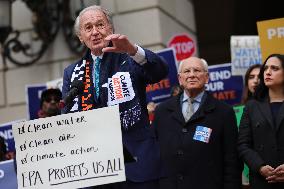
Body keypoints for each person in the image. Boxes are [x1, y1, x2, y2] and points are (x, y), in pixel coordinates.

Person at [62, 5, 168, 189]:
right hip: (96, 170)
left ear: (111, 29)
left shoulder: (129, 57)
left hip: (136, 166)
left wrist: (133, 50)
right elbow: (69, 118)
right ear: (81, 37)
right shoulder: (72, 72)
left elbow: (160, 71)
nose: (95, 32)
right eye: (88, 28)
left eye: (100, 25)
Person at [153, 57, 242, 189]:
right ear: (180, 78)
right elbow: (154, 154)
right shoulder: (162, 111)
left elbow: (232, 160)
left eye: (197, 70)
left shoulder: (224, 112)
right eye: (187, 71)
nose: (192, 75)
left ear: (206, 77)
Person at [238, 54, 284, 189]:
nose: (268, 72)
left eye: (275, 68)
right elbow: (243, 144)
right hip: (262, 180)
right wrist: (260, 166)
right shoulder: (252, 106)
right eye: (266, 68)